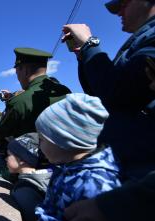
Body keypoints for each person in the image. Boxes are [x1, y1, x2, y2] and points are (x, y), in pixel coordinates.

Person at [33, 93, 145, 221]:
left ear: (64, 140)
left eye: (42, 139)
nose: (38, 144)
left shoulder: (94, 183)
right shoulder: (67, 167)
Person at [62, 0, 155, 180]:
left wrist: (90, 44)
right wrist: (84, 54)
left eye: (124, 3)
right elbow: (101, 92)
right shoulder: (141, 40)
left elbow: (120, 94)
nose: (117, 11)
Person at [0, 47, 70, 178]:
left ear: (24, 70)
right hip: (64, 162)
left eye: (17, 71)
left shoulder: (21, 102)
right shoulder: (63, 90)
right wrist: (12, 99)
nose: (17, 76)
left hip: (34, 166)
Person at [5, 132, 52, 221]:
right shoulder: (46, 177)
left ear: (21, 159)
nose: (5, 158)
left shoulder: (24, 191)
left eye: (9, 155)